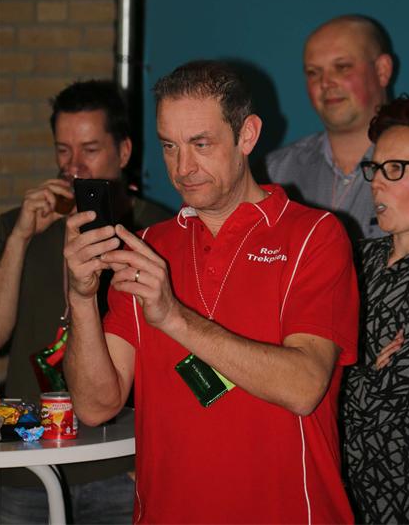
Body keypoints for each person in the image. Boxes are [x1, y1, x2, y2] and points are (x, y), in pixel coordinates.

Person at [63, 60, 359, 524]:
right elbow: (96, 406)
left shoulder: (314, 235)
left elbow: (304, 387)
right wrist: (81, 297)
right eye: (169, 146)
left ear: (247, 135)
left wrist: (173, 317)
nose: (183, 168)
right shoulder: (148, 247)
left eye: (201, 144)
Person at [0, 80, 172, 525]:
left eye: (90, 149)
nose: (73, 165)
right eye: (63, 150)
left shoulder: (157, 231)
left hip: (120, 463)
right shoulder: (19, 226)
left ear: (124, 151)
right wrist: (19, 239)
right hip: (26, 466)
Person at [342, 97, 409, 524]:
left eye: (395, 168)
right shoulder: (354, 259)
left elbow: (386, 398)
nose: (376, 182)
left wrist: (340, 374)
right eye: (375, 168)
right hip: (343, 498)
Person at [263, 14, 395, 242]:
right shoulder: (274, 173)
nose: (325, 83)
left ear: (382, 70)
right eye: (313, 72)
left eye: (342, 67)